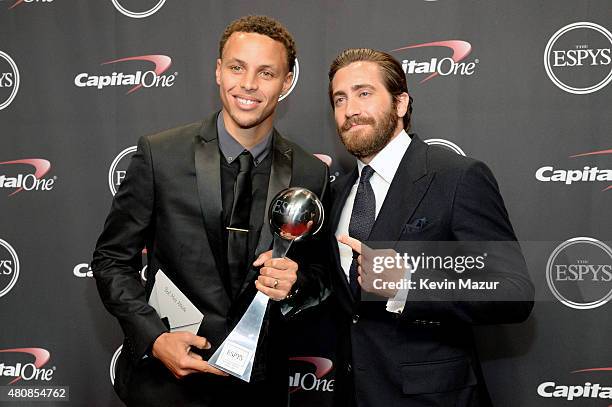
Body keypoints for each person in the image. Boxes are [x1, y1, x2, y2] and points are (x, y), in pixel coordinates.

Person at [92, 15, 329, 407]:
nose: (248, 84)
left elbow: (320, 277)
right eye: (237, 67)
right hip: (164, 388)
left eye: (266, 72)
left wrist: (296, 282)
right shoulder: (160, 154)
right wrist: (155, 338)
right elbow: (111, 260)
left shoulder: (310, 172)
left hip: (256, 390)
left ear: (287, 82)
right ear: (218, 71)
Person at [327, 48, 534, 407]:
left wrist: (407, 286)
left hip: (434, 398)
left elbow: (513, 292)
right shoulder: (338, 191)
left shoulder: (457, 177)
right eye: (339, 99)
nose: (350, 109)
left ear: (401, 103)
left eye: (364, 93)